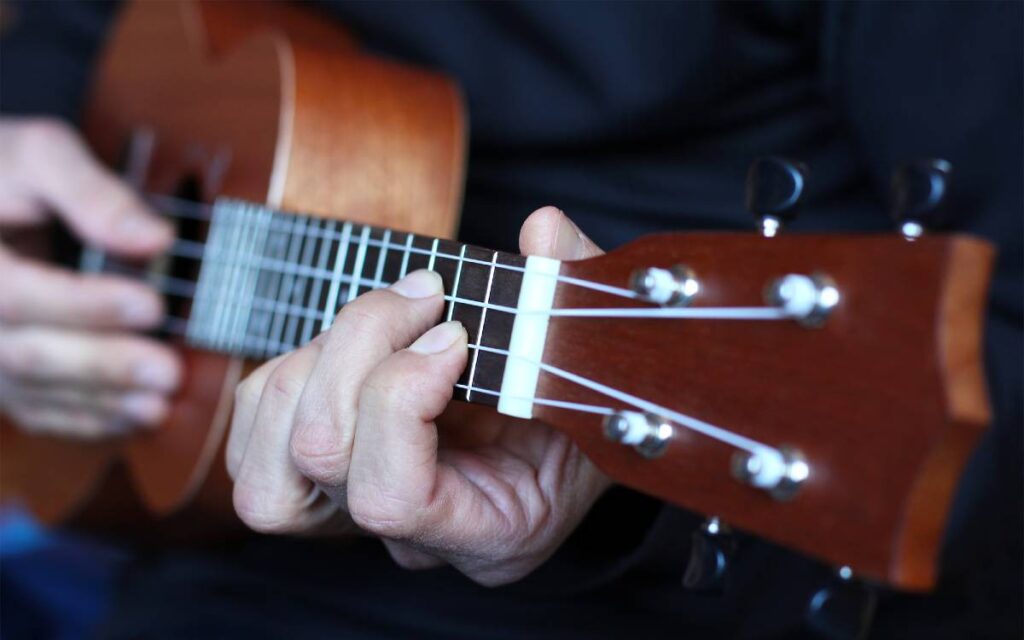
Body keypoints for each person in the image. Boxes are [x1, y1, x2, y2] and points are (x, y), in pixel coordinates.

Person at [1, 1, 1020, 638]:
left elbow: (996, 353)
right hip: (223, 538)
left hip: (681, 565)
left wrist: (624, 505)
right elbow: (76, 31)